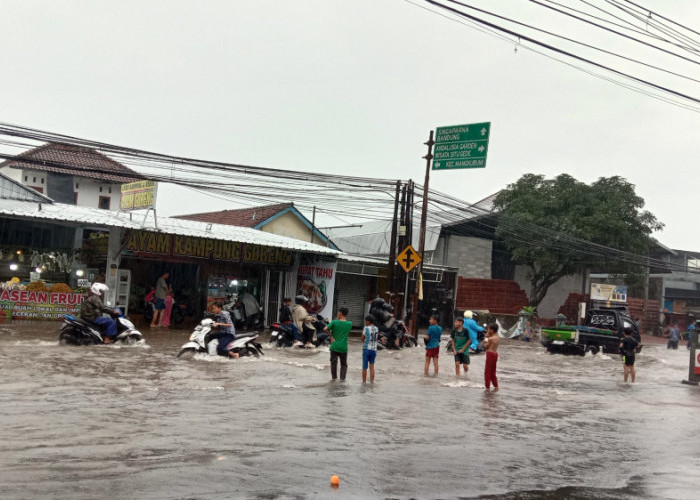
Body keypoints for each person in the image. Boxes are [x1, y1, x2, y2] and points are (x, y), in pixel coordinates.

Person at [325, 307, 352, 380]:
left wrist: (331, 337)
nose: (337, 314)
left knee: (334, 364)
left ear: (340, 313)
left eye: (338, 313)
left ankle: (334, 379)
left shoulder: (334, 322)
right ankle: (342, 380)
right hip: (343, 347)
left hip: (334, 346)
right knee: (343, 365)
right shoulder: (349, 323)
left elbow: (325, 329)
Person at [362, 314, 378, 383]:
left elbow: (362, 338)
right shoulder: (376, 328)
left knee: (364, 368)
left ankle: (364, 383)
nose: (365, 322)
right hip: (374, 350)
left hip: (366, 349)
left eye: (366, 321)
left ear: (368, 321)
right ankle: (371, 382)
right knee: (372, 367)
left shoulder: (366, 328)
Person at [484, 323, 500, 391]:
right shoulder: (497, 337)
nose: (487, 330)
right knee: (493, 371)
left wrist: (486, 338)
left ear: (492, 330)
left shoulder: (491, 338)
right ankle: (496, 386)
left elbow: (485, 346)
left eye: (488, 329)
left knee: (487, 371)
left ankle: (487, 387)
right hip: (495, 353)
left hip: (490, 353)